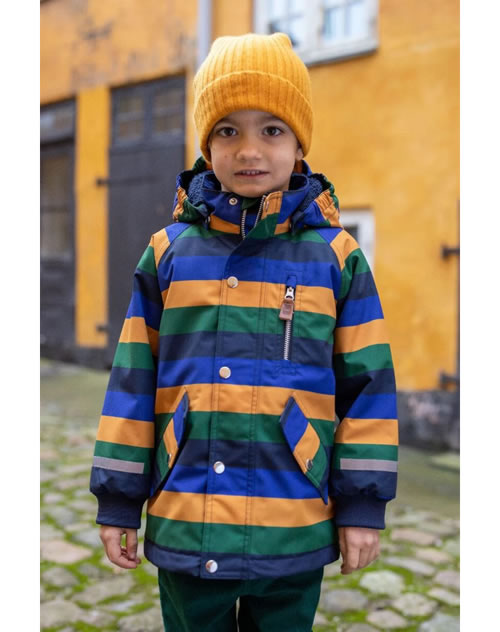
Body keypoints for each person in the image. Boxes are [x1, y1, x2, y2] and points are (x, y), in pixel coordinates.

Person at [90, 32, 399, 632]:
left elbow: (369, 388)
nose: (249, 150)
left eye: (272, 129)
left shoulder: (335, 257)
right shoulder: (169, 253)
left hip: (293, 521)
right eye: (228, 130)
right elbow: (132, 378)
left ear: (300, 142)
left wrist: (362, 504)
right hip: (187, 515)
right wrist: (119, 498)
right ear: (206, 145)